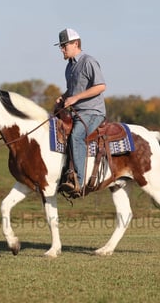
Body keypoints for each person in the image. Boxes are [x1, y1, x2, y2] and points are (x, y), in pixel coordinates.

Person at [54, 28, 107, 197]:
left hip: (93, 112)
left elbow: (100, 86)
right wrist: (63, 97)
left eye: (64, 46)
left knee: (76, 136)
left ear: (75, 44)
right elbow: (72, 90)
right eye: (60, 46)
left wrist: (75, 98)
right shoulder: (69, 68)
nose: (62, 49)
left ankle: (79, 180)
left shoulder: (88, 61)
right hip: (76, 112)